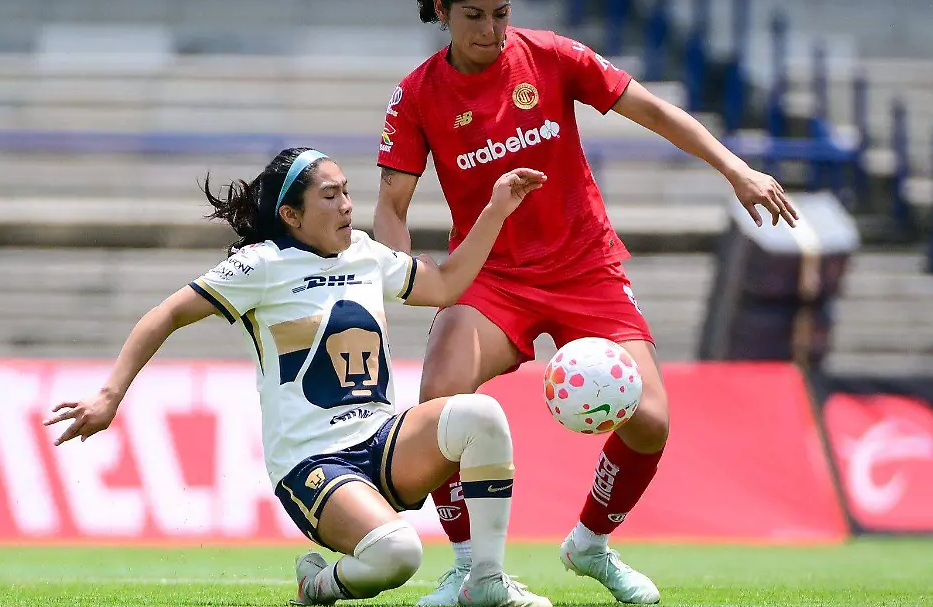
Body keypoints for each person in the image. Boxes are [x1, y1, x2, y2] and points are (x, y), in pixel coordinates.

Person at [373, 0, 800, 606]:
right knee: (440, 403)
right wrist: (398, 275)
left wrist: (736, 169)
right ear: (441, 11)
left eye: (501, 13)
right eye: (474, 16)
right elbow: (391, 205)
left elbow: (653, 110)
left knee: (649, 420)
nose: (491, 30)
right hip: (489, 277)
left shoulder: (551, 55)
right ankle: (469, 567)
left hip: (585, 267)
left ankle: (591, 542)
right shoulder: (418, 93)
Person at [43, 147, 553, 607]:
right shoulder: (261, 265)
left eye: (346, 191)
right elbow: (167, 314)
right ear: (291, 215)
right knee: (398, 555)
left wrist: (496, 209)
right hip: (312, 461)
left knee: (481, 416)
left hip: (381, 440)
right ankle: (319, 585)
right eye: (329, 196)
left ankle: (485, 579)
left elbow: (445, 286)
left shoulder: (366, 253)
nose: (346, 205)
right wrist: (109, 395)